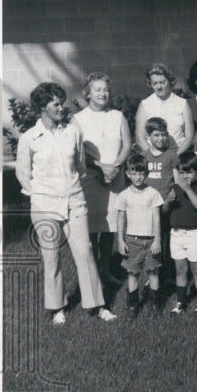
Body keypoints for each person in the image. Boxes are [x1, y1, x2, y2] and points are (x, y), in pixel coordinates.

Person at [16, 82, 116, 325]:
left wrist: (68, 189)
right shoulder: (29, 138)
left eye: (62, 103)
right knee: (51, 257)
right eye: (56, 104)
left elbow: (80, 166)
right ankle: (57, 307)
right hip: (44, 204)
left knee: (85, 252)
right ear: (42, 107)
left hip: (74, 200)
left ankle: (97, 305)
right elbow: (22, 174)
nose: (62, 108)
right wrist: (41, 195)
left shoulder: (73, 131)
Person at [71, 71, 132, 288]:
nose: (103, 93)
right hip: (90, 178)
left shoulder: (118, 116)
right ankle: (91, 273)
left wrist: (115, 167)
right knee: (90, 229)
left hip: (114, 179)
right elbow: (76, 149)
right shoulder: (78, 119)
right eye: (97, 89)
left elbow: (127, 144)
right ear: (87, 93)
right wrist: (100, 168)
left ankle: (105, 271)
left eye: (106, 89)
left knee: (109, 228)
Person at [115, 153, 164, 318]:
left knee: (153, 272)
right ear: (128, 174)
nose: (138, 177)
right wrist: (120, 241)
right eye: (134, 173)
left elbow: (157, 218)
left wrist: (157, 239)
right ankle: (132, 306)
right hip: (132, 241)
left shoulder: (153, 193)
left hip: (150, 240)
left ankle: (155, 305)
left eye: (141, 173)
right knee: (133, 273)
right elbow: (120, 219)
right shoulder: (124, 196)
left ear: (146, 174)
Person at [167, 151, 197, 314]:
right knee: (180, 269)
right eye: (182, 172)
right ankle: (181, 302)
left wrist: (187, 190)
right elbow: (165, 211)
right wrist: (167, 201)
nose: (185, 176)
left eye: (189, 172)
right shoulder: (174, 188)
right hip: (176, 234)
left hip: (194, 233)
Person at [141, 116, 179, 289]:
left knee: (166, 240)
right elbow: (139, 180)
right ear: (148, 136)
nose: (161, 139)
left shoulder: (171, 155)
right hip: (148, 207)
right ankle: (152, 273)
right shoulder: (144, 157)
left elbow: (177, 180)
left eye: (163, 135)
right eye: (156, 135)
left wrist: (173, 196)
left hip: (167, 205)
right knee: (149, 241)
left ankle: (168, 273)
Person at [136, 63, 193, 154]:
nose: (159, 87)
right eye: (155, 83)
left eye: (162, 83)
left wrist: (175, 156)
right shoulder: (145, 105)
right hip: (153, 159)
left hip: (178, 155)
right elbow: (140, 138)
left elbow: (189, 136)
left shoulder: (182, 104)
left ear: (170, 81)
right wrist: (155, 157)